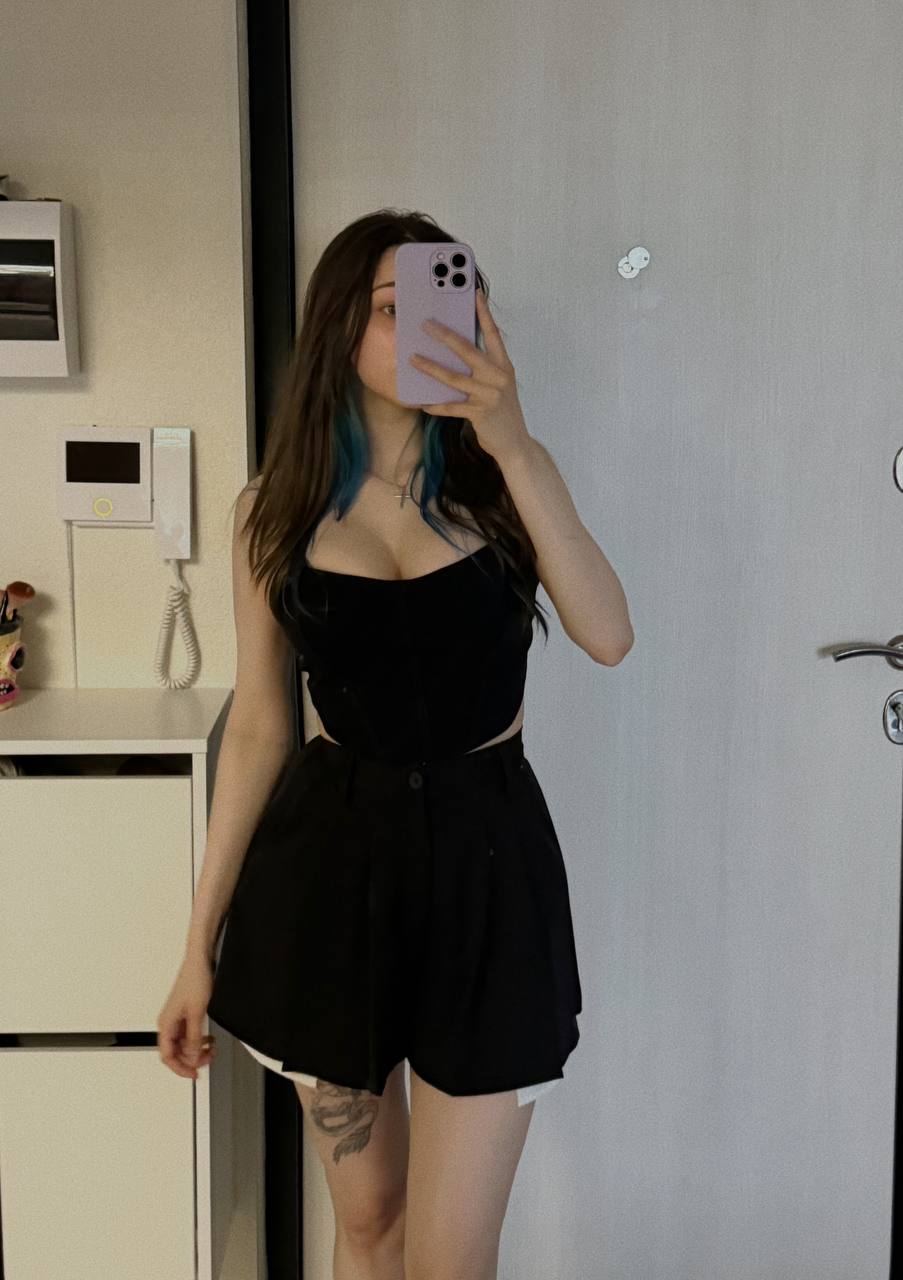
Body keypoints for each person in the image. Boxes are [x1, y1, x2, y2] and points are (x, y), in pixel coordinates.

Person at [157, 208, 634, 1280]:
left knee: (451, 1256)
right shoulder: (271, 513)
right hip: (331, 880)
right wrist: (198, 942)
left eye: (457, 298)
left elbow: (609, 634)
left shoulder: (505, 483)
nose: (435, 324)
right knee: (370, 1222)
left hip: (488, 874)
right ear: (338, 327)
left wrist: (513, 439)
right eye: (394, 306)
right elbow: (263, 729)